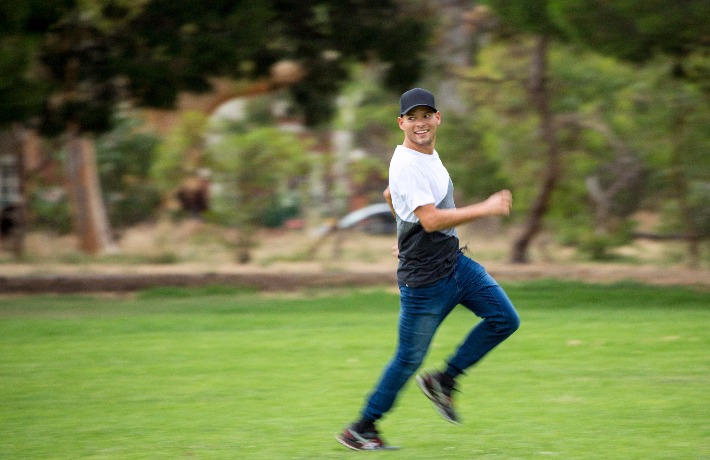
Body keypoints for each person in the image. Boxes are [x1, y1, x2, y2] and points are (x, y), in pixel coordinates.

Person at [336, 88, 520, 451]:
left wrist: (404, 233)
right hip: (426, 283)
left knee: (505, 319)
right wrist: (485, 208)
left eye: (426, 115)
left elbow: (391, 196)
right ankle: (361, 428)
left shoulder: (427, 156)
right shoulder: (406, 163)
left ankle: (444, 381)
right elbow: (433, 220)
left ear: (437, 118)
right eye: (412, 117)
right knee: (407, 360)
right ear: (401, 123)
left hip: (457, 265)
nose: (420, 123)